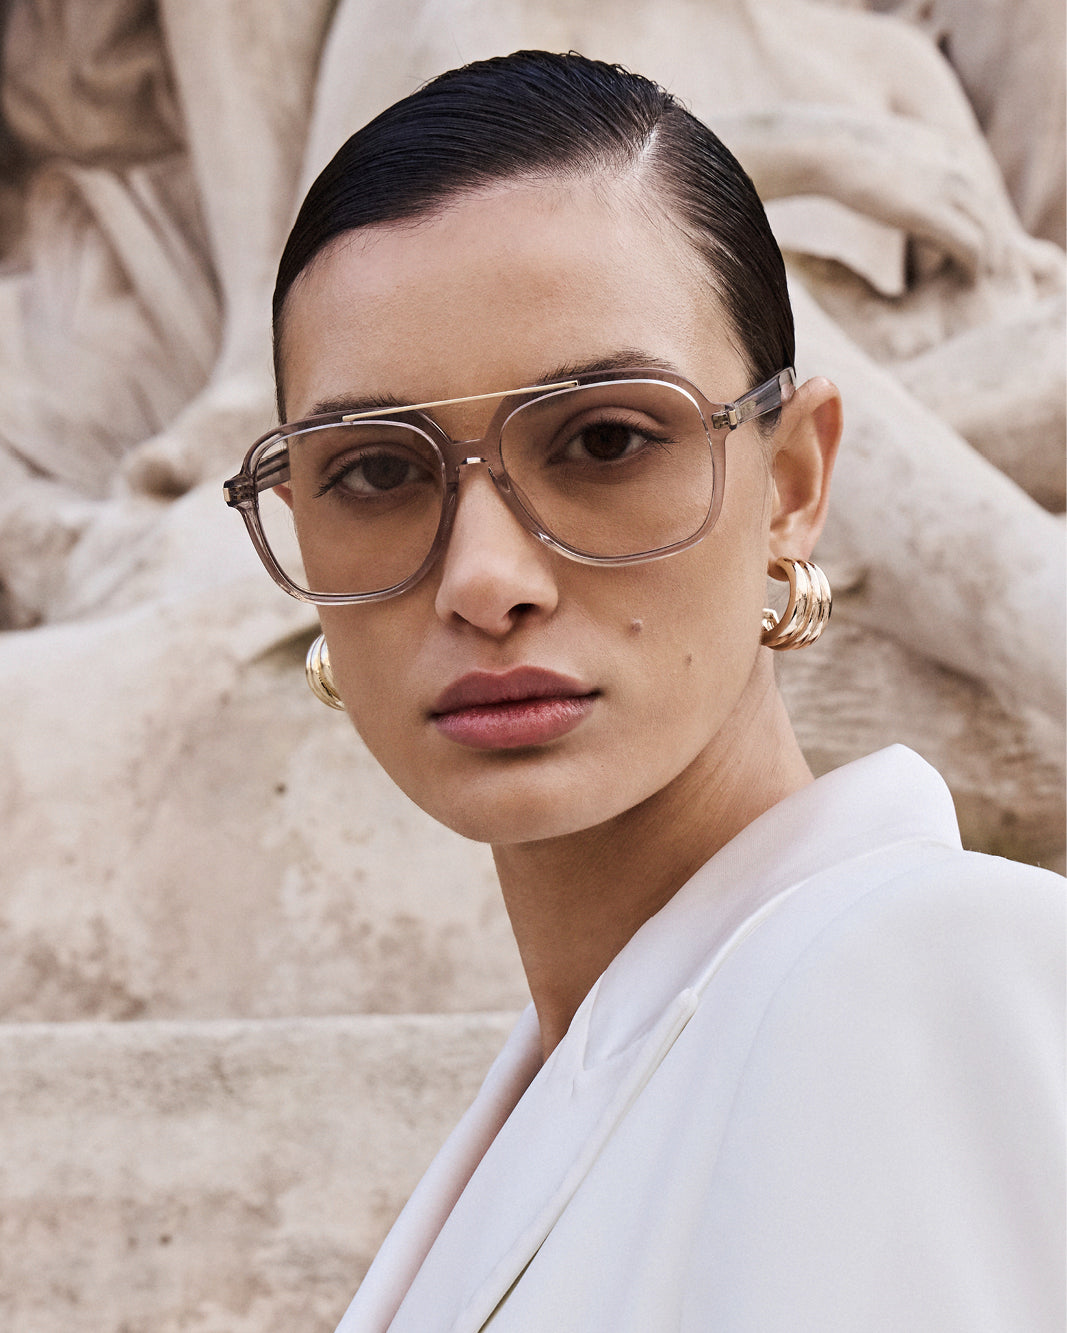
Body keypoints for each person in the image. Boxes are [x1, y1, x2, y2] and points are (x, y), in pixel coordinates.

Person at [222, 50, 1064, 1333]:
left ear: (789, 483)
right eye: (376, 471)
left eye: (604, 439)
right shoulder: (585, 1074)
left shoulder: (917, 972)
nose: (484, 581)